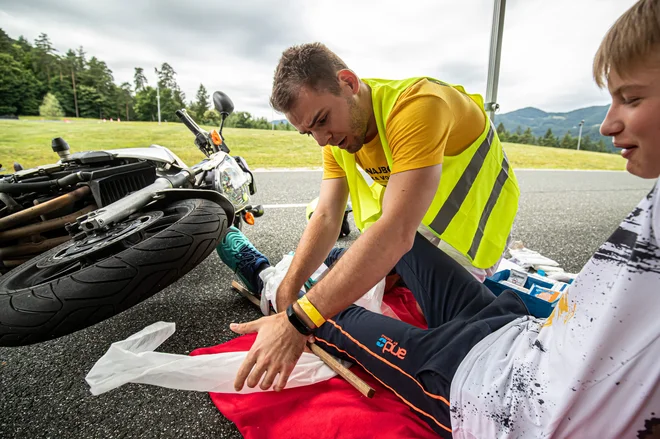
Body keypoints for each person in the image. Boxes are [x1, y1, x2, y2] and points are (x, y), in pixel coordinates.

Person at [219, 0, 660, 437]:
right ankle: (279, 284)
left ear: (348, 82)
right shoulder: (339, 137)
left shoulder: (415, 107)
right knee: (340, 265)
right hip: (514, 330)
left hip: (471, 272)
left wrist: (295, 319)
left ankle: (260, 271)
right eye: (307, 132)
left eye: (321, 121)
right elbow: (329, 213)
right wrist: (290, 294)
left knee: (330, 309)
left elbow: (394, 234)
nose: (321, 141)